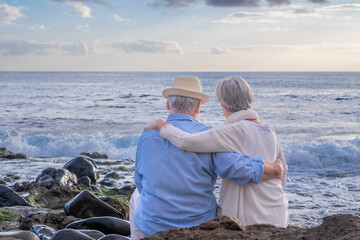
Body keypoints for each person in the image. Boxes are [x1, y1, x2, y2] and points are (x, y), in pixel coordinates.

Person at [130, 76, 284, 239]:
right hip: (199, 225)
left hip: (153, 226)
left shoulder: (147, 136)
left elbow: (140, 182)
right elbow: (240, 170)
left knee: (136, 196)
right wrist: (273, 169)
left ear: (168, 104)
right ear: (197, 106)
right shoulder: (209, 136)